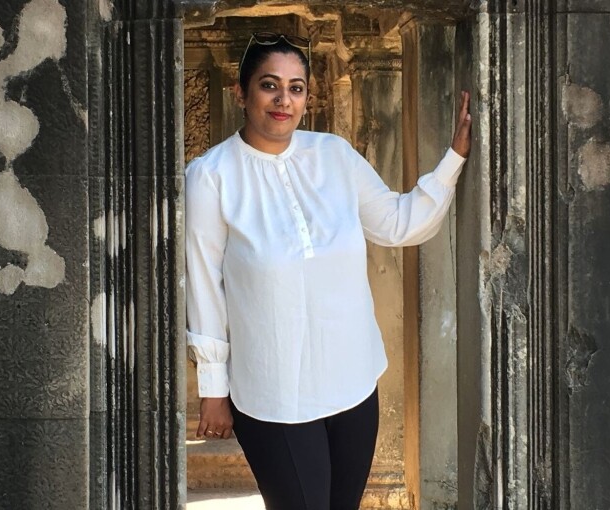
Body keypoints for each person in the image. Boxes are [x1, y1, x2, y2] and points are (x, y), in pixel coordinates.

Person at [185, 32, 472, 510]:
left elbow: (398, 222)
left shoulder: (334, 156)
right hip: (274, 394)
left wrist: (454, 158)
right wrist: (213, 389)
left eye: (296, 88)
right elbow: (204, 285)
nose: (284, 100)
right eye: (269, 85)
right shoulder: (211, 176)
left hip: (353, 382)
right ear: (242, 92)